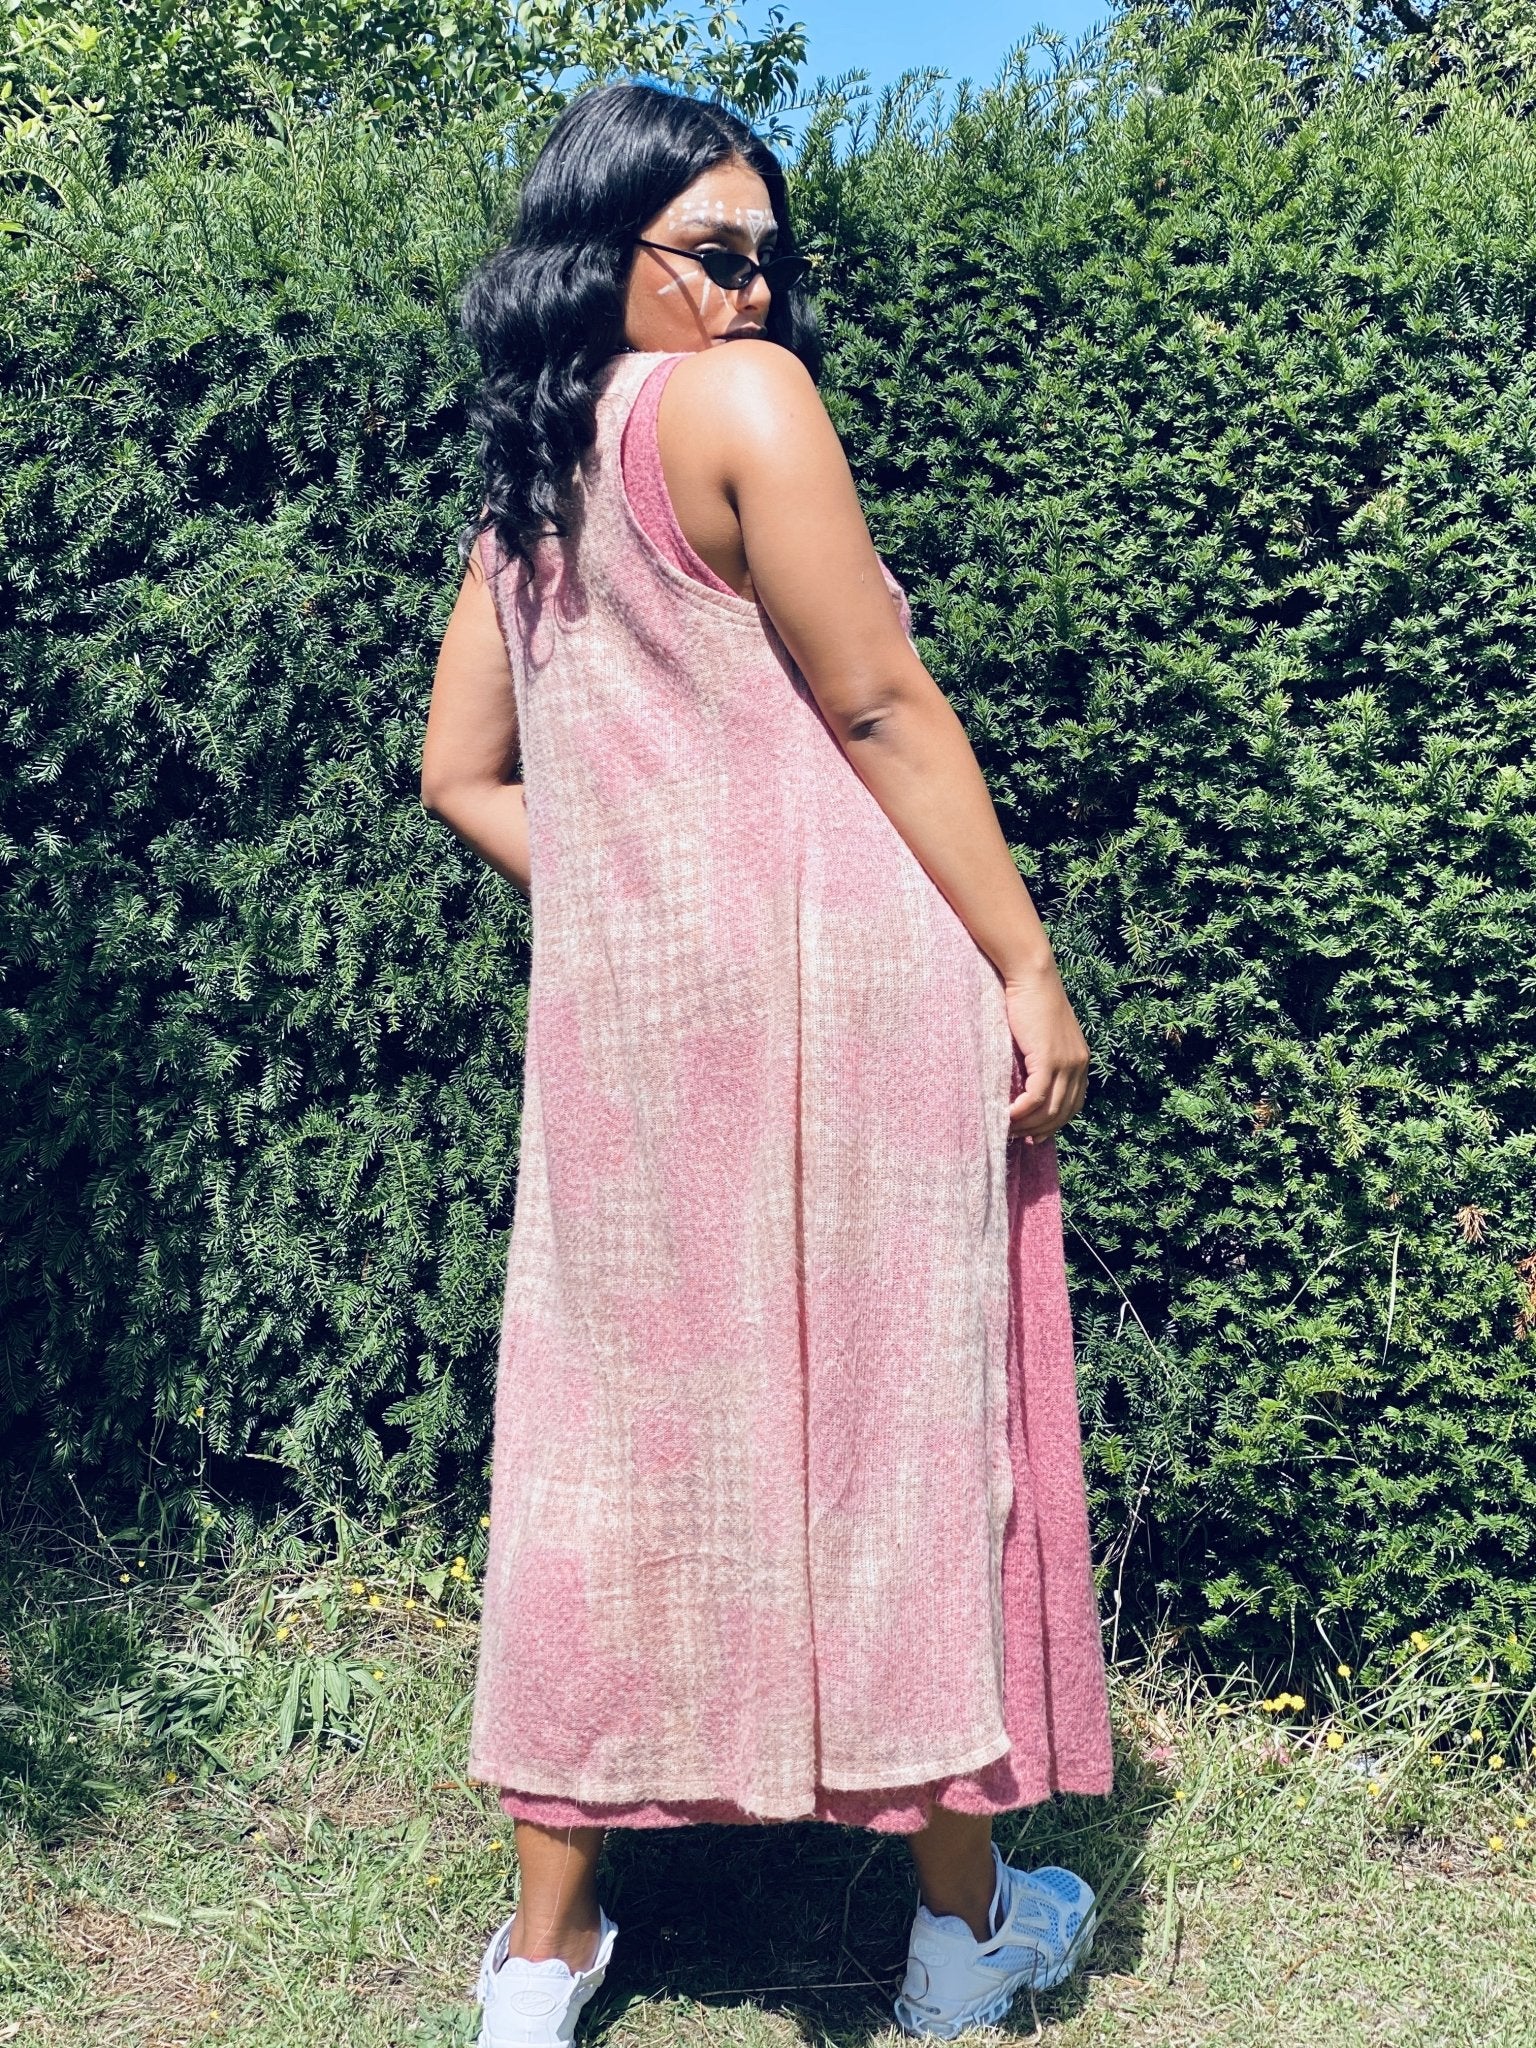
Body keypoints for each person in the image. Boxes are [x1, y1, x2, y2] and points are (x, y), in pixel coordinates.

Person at [420, 78, 1114, 2048]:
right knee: (899, 1430)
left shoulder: (530, 482)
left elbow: (458, 773)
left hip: (638, 1025)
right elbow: (878, 699)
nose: (754, 293)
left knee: (611, 1435)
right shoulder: (748, 405)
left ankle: (544, 1965)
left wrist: (654, 899)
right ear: (607, 250)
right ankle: (961, 1947)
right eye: (715, 253)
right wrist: (1026, 962)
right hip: (858, 999)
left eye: (768, 262)